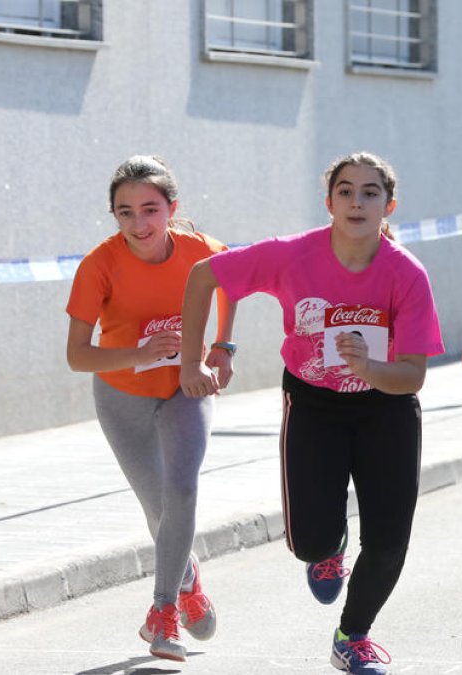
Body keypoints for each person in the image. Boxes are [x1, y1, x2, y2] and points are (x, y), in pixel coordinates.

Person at [179, 152, 443, 675]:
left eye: (370, 193)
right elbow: (203, 275)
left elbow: (412, 374)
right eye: (345, 191)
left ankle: (353, 635)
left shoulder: (406, 274)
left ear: (389, 206)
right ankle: (328, 548)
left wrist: (370, 369)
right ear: (328, 203)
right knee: (308, 542)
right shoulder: (292, 256)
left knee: (390, 541)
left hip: (386, 408)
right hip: (314, 403)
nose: (356, 202)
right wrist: (197, 357)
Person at [65, 156, 234, 661]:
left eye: (150, 209)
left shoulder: (201, 252)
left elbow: (232, 289)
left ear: (171, 208)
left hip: (187, 388)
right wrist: (141, 353)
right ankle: (187, 579)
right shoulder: (100, 264)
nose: (139, 224)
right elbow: (77, 356)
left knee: (182, 491)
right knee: (159, 510)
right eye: (125, 212)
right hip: (123, 397)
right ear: (113, 216)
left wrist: (223, 350)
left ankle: (161, 613)